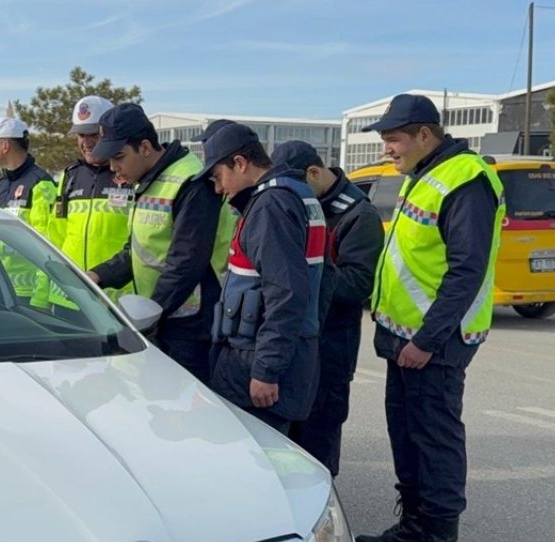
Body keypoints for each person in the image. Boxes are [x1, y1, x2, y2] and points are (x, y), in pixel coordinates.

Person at [352, 94, 504, 542]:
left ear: (424, 134)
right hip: (405, 336)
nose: (388, 149)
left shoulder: (466, 179)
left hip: (434, 342)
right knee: (407, 434)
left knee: (435, 439)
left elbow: (466, 271)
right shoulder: (422, 175)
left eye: (394, 139)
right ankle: (414, 525)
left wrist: (428, 340)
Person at [85, 104, 233, 382]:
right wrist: (98, 275)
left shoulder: (191, 182)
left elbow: (186, 262)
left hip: (191, 324)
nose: (114, 167)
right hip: (161, 319)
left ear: (144, 147)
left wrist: (149, 315)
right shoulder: (148, 181)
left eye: (119, 157)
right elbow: (139, 249)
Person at [201, 124, 324, 434]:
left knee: (257, 459)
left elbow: (286, 293)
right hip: (278, 352)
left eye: (218, 176)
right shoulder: (296, 193)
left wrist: (267, 370)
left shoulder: (271, 206)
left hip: (257, 359)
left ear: (240, 163)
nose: (218, 188)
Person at [273, 141, 384, 475]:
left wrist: (301, 277)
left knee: (319, 438)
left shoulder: (358, 215)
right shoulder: (302, 205)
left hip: (331, 345)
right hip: (298, 342)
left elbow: (357, 285)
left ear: (315, 173)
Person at [48, 96, 133, 309]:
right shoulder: (70, 177)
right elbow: (54, 241)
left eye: (94, 134)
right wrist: (43, 296)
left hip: (115, 302)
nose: (86, 142)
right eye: (81, 135)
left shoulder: (132, 175)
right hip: (68, 300)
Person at [0, 116, 57, 307]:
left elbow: (46, 245)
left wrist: (41, 298)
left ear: (5, 145)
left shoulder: (41, 183)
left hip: (27, 295)